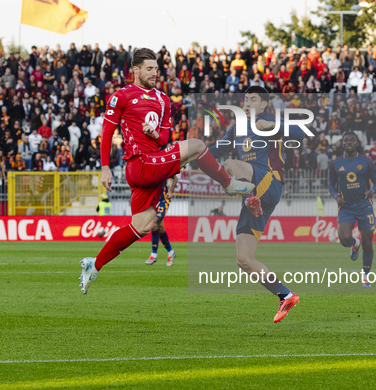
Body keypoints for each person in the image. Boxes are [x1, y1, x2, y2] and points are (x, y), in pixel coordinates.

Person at [79, 48, 254, 294]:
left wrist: (153, 134)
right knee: (196, 146)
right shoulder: (122, 96)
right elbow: (107, 132)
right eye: (149, 68)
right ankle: (228, 183)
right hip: (140, 163)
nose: (154, 73)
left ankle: (93, 265)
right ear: (136, 69)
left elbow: (164, 137)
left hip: (154, 164)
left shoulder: (163, 100)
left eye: (156, 68)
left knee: (143, 225)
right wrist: (105, 167)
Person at [208, 85, 307, 323]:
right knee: (244, 260)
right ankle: (286, 295)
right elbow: (215, 150)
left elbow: (301, 133)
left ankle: (249, 199)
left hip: (270, 181)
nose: (247, 102)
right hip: (254, 190)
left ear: (264, 105)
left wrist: (274, 126)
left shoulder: (269, 121)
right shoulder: (236, 128)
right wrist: (184, 159)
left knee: (231, 164)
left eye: (253, 99)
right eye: (245, 99)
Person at [328, 131, 376, 287]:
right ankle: (354, 243)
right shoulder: (336, 163)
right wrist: (336, 196)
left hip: (364, 206)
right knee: (344, 239)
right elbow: (330, 184)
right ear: (342, 144)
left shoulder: (366, 161)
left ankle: (365, 275)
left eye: (352, 140)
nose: (349, 142)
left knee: (368, 243)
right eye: (346, 140)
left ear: (357, 143)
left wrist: (372, 191)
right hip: (346, 207)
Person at [146, 175, 177, 266]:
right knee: (160, 229)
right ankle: (171, 252)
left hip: (163, 201)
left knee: (155, 223)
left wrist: (170, 191)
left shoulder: (162, 168)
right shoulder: (149, 168)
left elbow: (175, 178)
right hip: (153, 201)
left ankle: (153, 255)